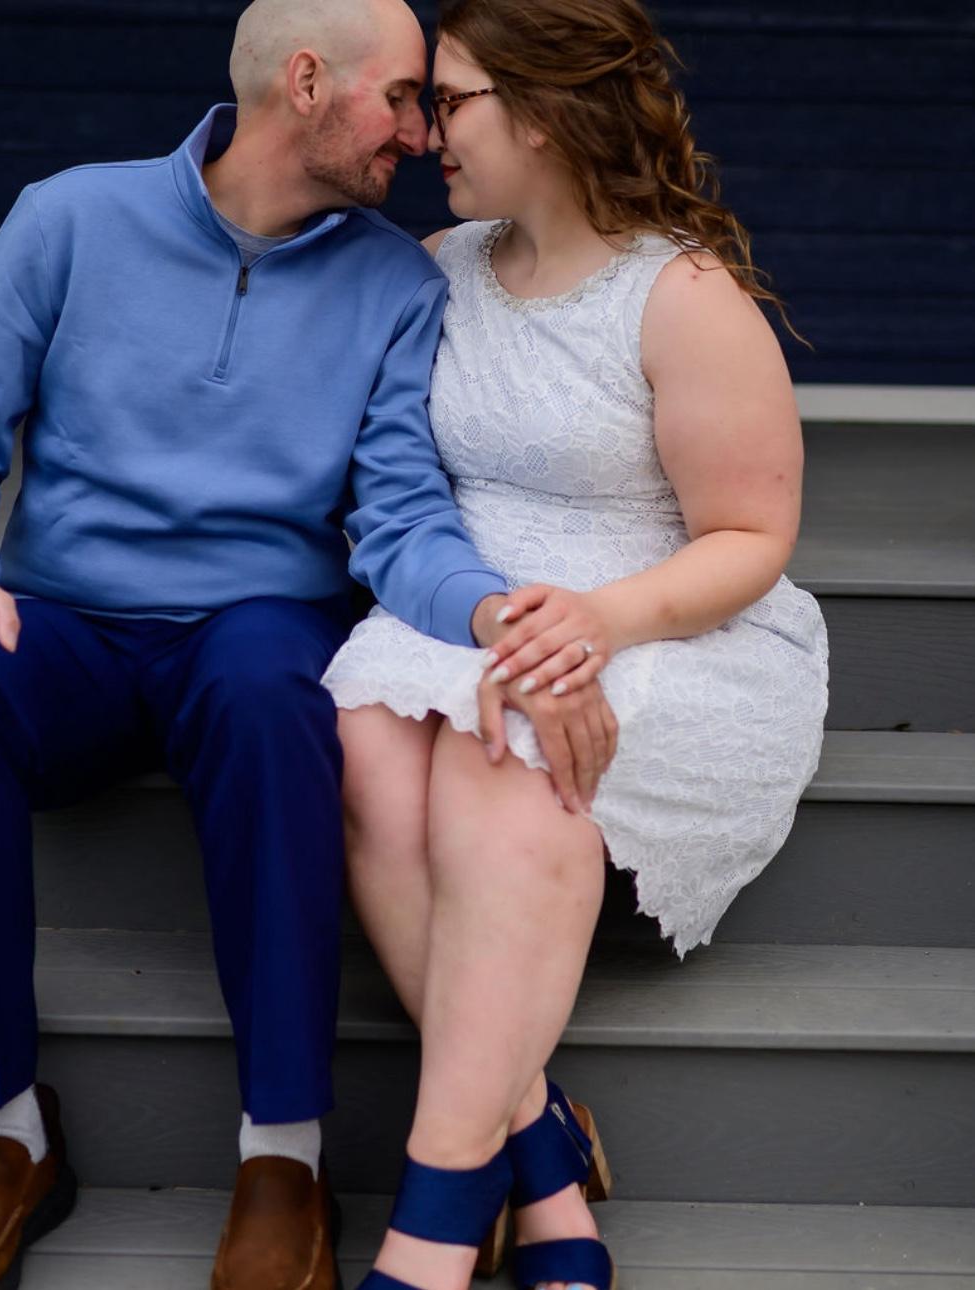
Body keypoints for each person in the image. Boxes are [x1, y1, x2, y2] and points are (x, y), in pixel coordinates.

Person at [0, 2, 610, 1288]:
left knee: (273, 694)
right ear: (307, 83)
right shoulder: (69, 220)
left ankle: (283, 1154)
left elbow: (402, 513)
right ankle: (2, 1136)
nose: (422, 134)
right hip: (70, 626)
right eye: (406, 99)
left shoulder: (392, 279)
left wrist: (489, 613)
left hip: (255, 629)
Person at [320, 0, 830, 1286]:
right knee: (370, 749)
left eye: (451, 99)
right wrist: (509, 619)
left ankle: (435, 1222)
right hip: (478, 611)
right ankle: (540, 1153)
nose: (425, 129)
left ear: (542, 117)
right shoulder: (439, 268)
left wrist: (598, 623)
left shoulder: (681, 294)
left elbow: (751, 532)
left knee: (506, 754)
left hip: (665, 618)